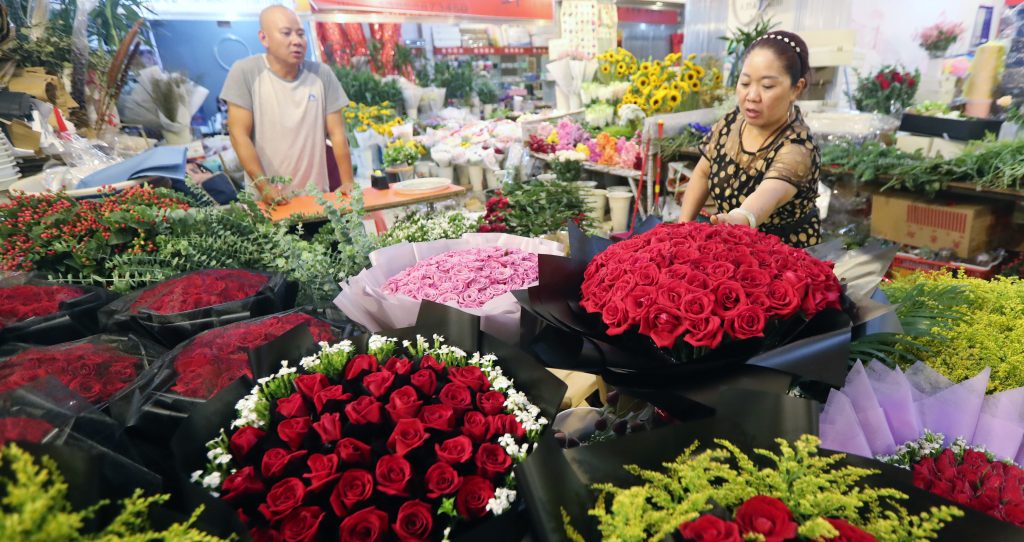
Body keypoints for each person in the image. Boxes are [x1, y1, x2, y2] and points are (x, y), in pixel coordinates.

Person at [678, 30, 821, 248]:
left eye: (767, 86)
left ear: (796, 88)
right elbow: (702, 173)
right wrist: (681, 230)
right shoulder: (731, 122)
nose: (752, 96)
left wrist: (738, 218)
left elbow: (767, 195)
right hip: (731, 241)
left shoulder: (798, 148)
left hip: (781, 254)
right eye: (745, 83)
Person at [220, 5, 354, 204]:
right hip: (268, 204)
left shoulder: (321, 74)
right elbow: (239, 135)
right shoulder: (245, 72)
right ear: (264, 38)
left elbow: (337, 134)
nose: (296, 41)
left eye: (300, 34)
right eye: (286, 33)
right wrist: (265, 188)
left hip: (317, 200)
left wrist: (348, 182)